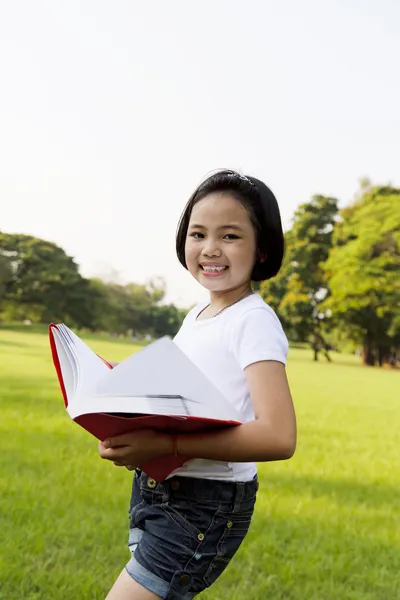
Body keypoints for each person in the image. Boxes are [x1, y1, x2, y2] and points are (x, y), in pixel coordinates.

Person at [99, 169, 297, 600]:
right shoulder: (198, 315)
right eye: (198, 233)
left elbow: (279, 436)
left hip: (204, 504)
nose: (209, 248)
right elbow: (189, 396)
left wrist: (168, 447)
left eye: (229, 236)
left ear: (261, 249)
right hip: (164, 492)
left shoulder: (253, 321)